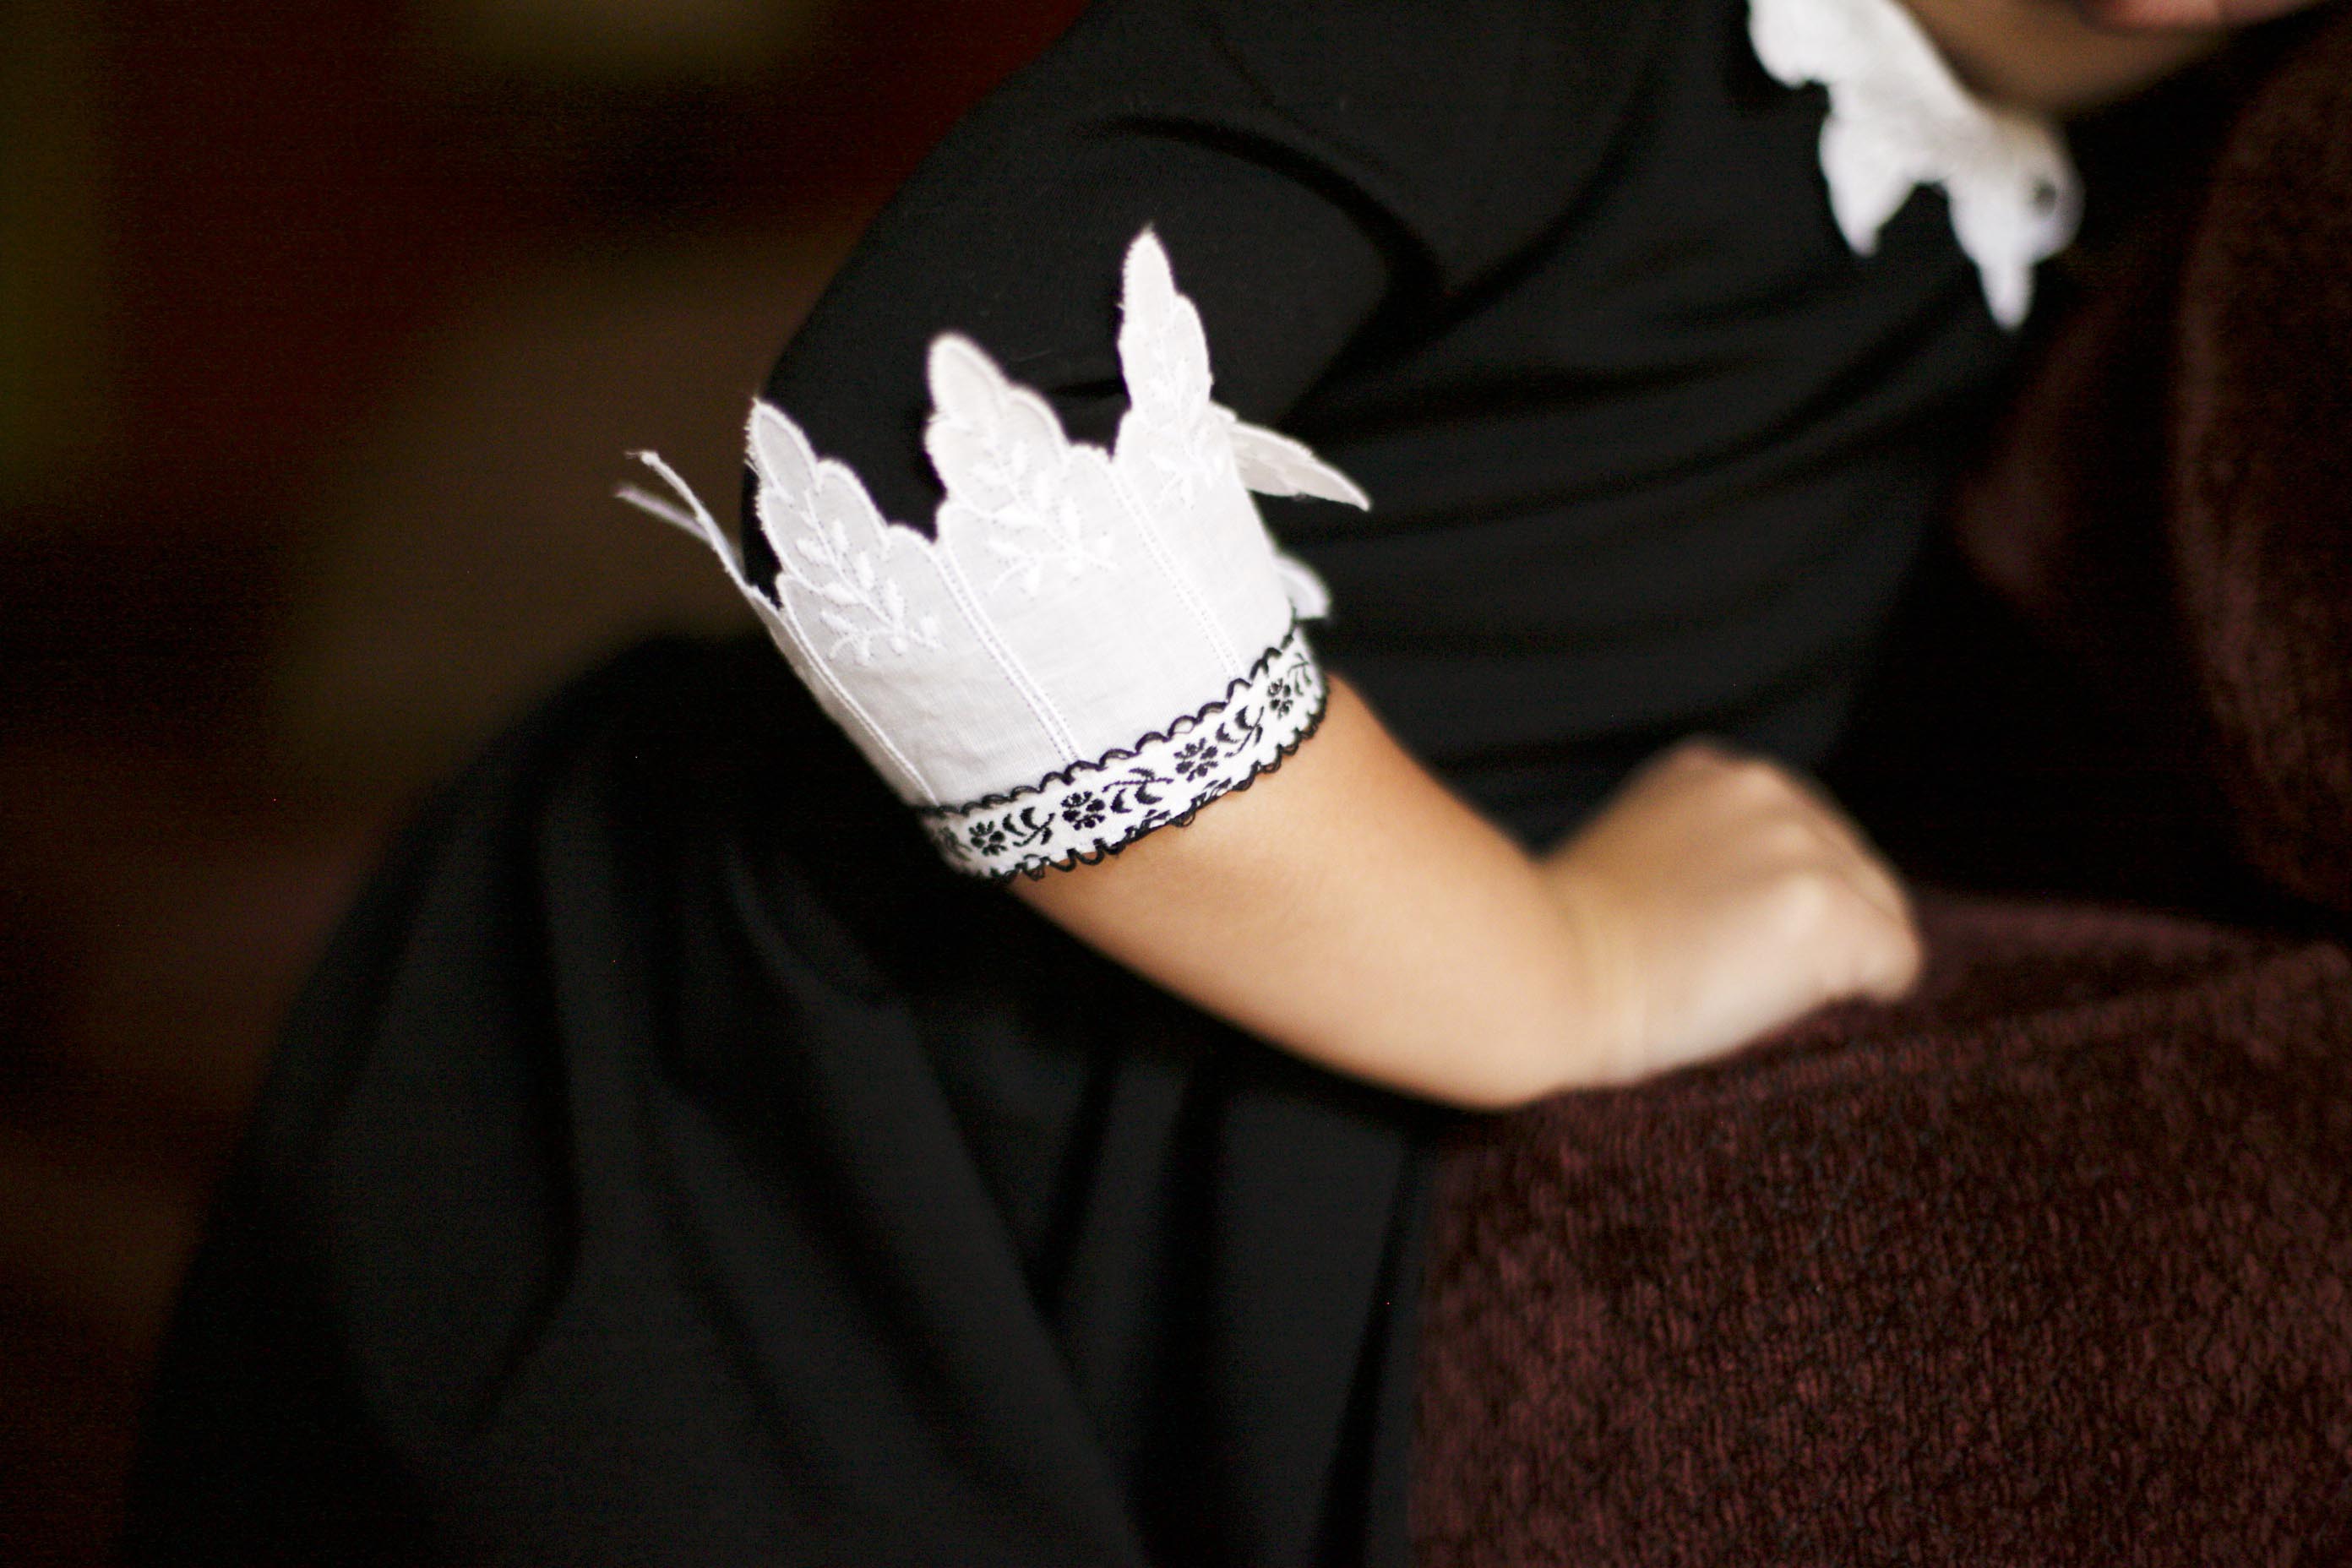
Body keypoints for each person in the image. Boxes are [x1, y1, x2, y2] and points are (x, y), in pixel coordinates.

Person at [127, 1, 2328, 1564]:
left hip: (1273, 1058)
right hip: (774, 1065)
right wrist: (1555, 962)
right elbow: (932, 480)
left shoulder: (2218, 142)